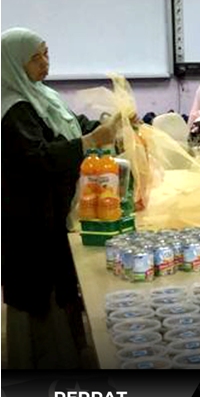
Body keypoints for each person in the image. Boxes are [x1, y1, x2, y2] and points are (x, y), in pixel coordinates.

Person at [1, 28, 121, 368]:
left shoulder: (43, 96)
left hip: (52, 211)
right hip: (29, 218)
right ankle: (40, 361)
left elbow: (72, 125)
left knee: (62, 284)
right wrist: (88, 143)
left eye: (46, 53)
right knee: (38, 290)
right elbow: (37, 158)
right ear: (13, 63)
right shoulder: (12, 109)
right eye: (35, 57)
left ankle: (69, 352)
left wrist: (107, 126)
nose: (45, 62)